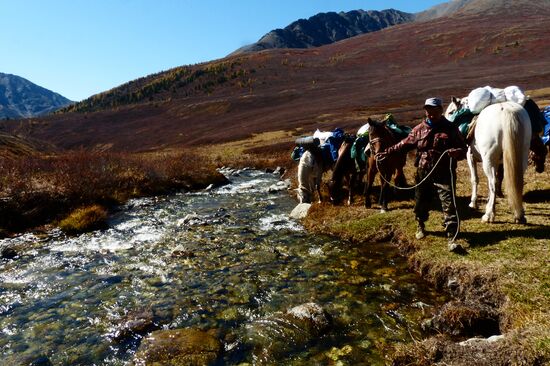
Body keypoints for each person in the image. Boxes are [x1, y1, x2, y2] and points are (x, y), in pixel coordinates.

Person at [376, 97, 467, 252]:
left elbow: (463, 148)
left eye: (434, 110)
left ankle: (452, 237)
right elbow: (404, 144)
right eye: (428, 110)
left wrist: (457, 152)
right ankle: (420, 225)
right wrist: (386, 152)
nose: (430, 113)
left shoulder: (450, 128)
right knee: (420, 203)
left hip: (444, 172)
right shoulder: (419, 129)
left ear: (440, 110)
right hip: (423, 173)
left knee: (449, 204)